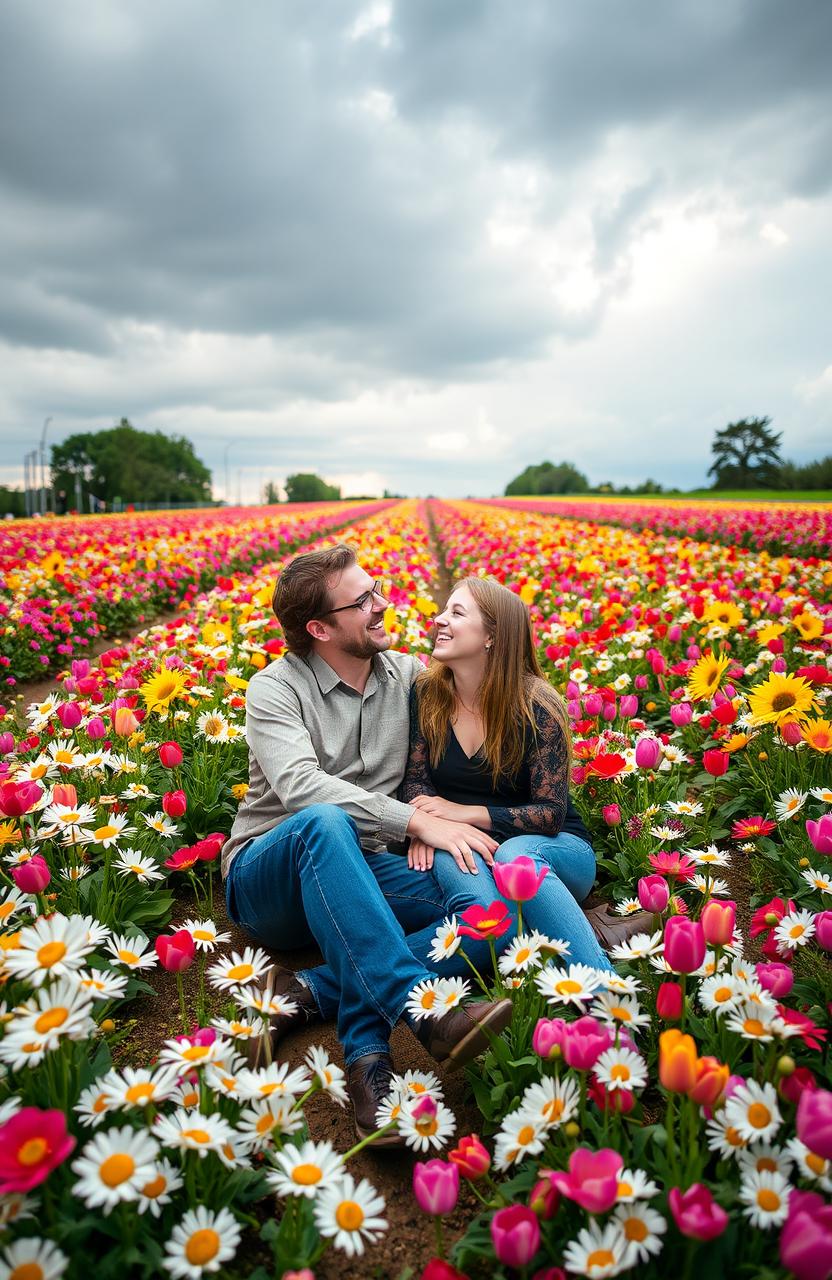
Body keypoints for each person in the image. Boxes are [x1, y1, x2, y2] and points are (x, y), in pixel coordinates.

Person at [222, 544, 513, 1144]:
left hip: (363, 870)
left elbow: (494, 696)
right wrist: (413, 821)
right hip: (269, 877)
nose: (383, 606)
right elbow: (301, 788)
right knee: (325, 821)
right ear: (320, 628)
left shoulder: (408, 676)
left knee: (489, 921)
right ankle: (409, 1026)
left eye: (377, 588)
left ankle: (306, 994)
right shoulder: (274, 690)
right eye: (363, 602)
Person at [401, 575, 615, 969]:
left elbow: (550, 814)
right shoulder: (427, 693)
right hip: (465, 842)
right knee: (490, 921)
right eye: (444, 609)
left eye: (457, 612)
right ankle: (350, 981)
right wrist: (422, 825)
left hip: (551, 850)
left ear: (491, 637)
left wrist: (462, 813)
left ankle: (601, 998)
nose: (439, 620)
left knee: (517, 858)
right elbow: (415, 780)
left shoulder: (536, 705)